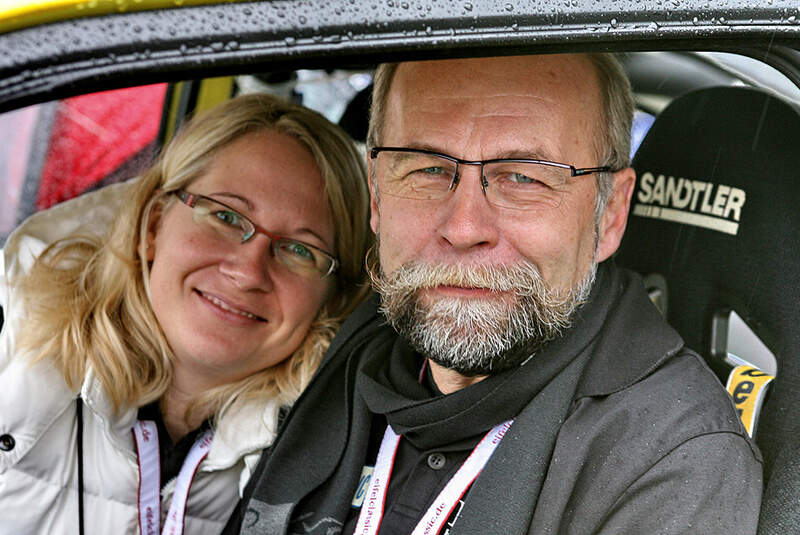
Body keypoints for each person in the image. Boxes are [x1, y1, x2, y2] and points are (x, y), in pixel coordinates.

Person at [228, 54, 762, 535]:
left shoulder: (669, 460)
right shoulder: (344, 342)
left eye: (525, 177)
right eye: (429, 168)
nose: (463, 227)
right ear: (376, 193)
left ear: (611, 214)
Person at [0, 93, 371, 534]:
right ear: (154, 223)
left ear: (329, 299)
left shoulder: (342, 451)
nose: (248, 271)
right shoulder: (11, 339)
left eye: (298, 250)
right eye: (226, 217)